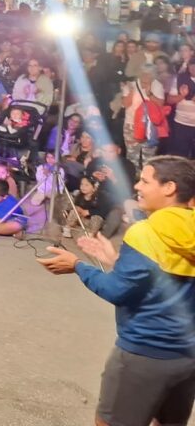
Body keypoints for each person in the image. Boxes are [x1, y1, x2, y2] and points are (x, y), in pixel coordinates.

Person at [40, 156, 195, 426]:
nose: (137, 186)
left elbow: (117, 290)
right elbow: (169, 280)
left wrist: (77, 265)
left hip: (143, 354)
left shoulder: (145, 233)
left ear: (169, 187)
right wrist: (118, 262)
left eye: (145, 181)